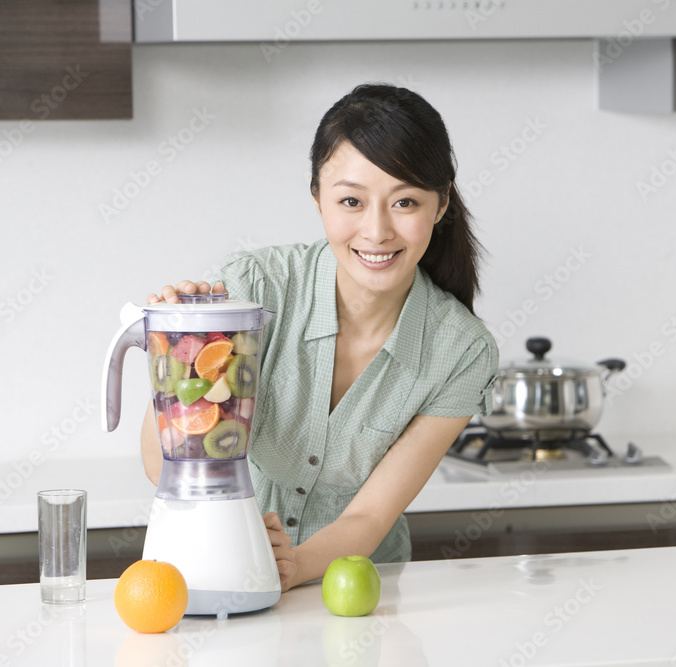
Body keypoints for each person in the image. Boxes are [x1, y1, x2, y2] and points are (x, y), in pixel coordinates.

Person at [141, 83, 499, 591]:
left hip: (358, 597)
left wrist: (288, 566)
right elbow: (162, 456)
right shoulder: (256, 290)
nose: (376, 232)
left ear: (440, 206)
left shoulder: (462, 352)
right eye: (351, 200)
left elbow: (370, 518)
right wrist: (179, 351)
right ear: (317, 198)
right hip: (213, 567)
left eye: (405, 202)